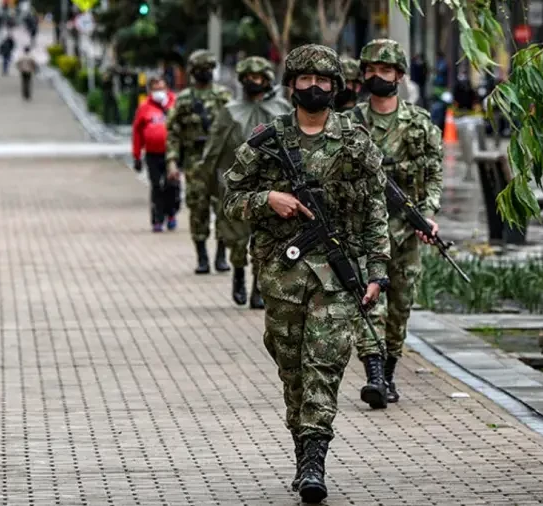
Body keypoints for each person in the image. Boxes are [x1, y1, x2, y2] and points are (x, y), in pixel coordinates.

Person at [223, 44, 390, 503]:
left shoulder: (355, 142)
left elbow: (376, 211)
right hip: (283, 275)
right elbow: (230, 198)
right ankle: (302, 447)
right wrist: (267, 200)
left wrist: (378, 270)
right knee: (292, 368)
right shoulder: (267, 140)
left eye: (322, 80)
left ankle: (315, 460)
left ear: (335, 87)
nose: (313, 87)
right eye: (304, 80)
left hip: (339, 276)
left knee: (325, 364)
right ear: (291, 85)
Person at [347, 39, 444, 407]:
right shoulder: (350, 123)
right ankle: (373, 377)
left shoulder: (418, 124)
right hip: (362, 234)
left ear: (399, 76)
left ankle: (387, 375)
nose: (377, 76)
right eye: (370, 70)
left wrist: (428, 213)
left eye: (384, 71)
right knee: (370, 304)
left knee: (400, 309)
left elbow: (434, 174)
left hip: (405, 234)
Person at [197, 56, 292, 308]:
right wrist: (208, 186)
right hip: (237, 185)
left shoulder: (282, 110)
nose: (254, 82)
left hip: (271, 186)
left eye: (259, 78)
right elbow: (213, 150)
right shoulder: (229, 111)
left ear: (267, 80)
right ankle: (238, 274)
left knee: (265, 240)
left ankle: (258, 288)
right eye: (249, 78)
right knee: (238, 238)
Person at [165, 49, 232, 274]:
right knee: (198, 209)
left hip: (220, 162)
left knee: (224, 209)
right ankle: (202, 256)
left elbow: (235, 129)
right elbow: (173, 133)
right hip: (195, 161)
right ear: (193, 72)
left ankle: (222, 254)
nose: (205, 73)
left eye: (208, 69)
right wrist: (172, 162)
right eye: (200, 70)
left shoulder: (224, 97)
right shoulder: (184, 99)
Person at [132, 76, 178, 232]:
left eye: (161, 88)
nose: (159, 92)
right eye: (156, 89)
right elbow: (137, 132)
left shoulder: (175, 104)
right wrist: (137, 156)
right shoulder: (144, 108)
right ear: (150, 91)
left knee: (172, 185)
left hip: (172, 153)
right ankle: (157, 219)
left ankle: (171, 213)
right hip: (152, 154)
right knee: (157, 185)